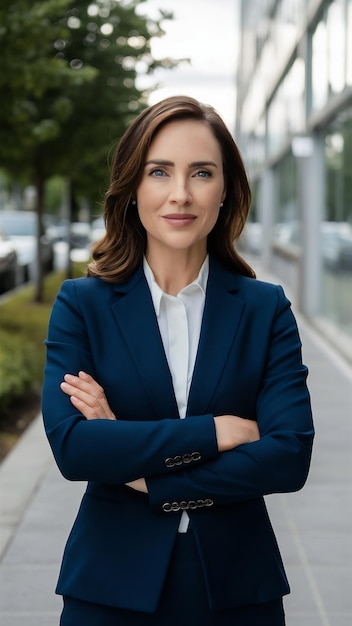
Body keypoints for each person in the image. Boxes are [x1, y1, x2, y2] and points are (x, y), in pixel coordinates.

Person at [42, 95, 314, 625]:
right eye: (159, 172)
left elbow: (289, 456)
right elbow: (76, 448)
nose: (180, 194)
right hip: (111, 587)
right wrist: (216, 432)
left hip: (237, 590)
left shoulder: (265, 309)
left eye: (202, 173)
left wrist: (143, 473)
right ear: (133, 188)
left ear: (226, 190)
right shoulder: (83, 305)